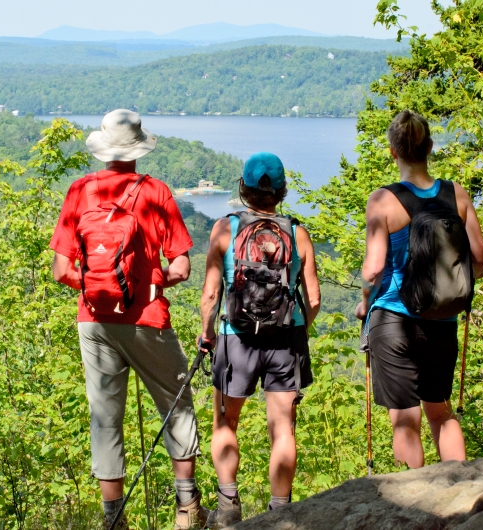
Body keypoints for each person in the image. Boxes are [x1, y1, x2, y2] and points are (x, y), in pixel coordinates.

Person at [50, 109, 208, 530]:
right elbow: (181, 267)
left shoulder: (79, 192)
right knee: (176, 406)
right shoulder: (155, 192)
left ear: (103, 149)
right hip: (148, 320)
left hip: (94, 321)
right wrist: (147, 285)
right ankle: (187, 510)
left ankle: (113, 519)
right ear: (138, 149)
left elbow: (62, 270)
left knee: (105, 417)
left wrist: (100, 290)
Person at [356, 110, 483, 469]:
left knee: (405, 420)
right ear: (429, 147)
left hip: (394, 321)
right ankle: (462, 487)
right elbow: (480, 257)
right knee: (441, 412)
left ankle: (417, 507)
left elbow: (373, 268)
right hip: (442, 320)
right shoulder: (455, 194)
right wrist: (455, 285)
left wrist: (363, 303)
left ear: (392, 152)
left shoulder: (383, 201)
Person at [197, 152, 321, 528]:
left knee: (225, 423)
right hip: (286, 339)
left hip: (235, 338)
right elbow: (313, 299)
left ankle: (228, 506)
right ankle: (281, 511)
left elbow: (209, 296)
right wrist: (298, 326)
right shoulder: (298, 232)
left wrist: (207, 335)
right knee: (283, 427)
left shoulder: (225, 229)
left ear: (243, 189)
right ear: (281, 192)